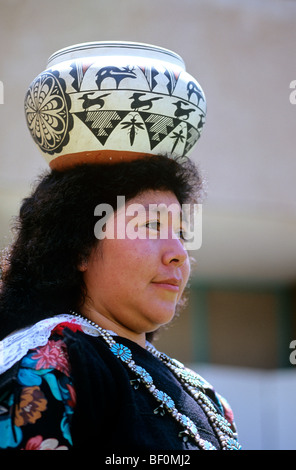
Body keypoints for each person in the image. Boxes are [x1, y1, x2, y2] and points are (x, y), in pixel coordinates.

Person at [0, 155, 241, 451]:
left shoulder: (206, 396)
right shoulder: (47, 368)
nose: (179, 252)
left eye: (181, 232)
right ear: (79, 248)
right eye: (152, 225)